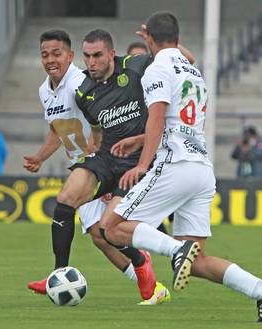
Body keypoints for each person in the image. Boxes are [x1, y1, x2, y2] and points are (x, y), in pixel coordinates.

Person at [102, 12, 262, 323]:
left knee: (112, 228)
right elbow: (178, 85)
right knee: (197, 261)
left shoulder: (157, 67)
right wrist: (139, 140)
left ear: (148, 38)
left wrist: (143, 164)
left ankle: (174, 250)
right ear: (176, 37)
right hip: (201, 169)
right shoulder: (193, 70)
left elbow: (158, 117)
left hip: (174, 163)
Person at [25, 29, 170, 305]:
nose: (50, 59)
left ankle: (145, 268)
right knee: (97, 234)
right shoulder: (53, 90)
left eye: (57, 53)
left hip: (119, 163)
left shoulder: (81, 81)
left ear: (70, 57)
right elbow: (62, 129)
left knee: (105, 232)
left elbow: (99, 132)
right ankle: (144, 279)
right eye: (45, 54)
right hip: (96, 162)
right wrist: (42, 157)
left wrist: (100, 169)